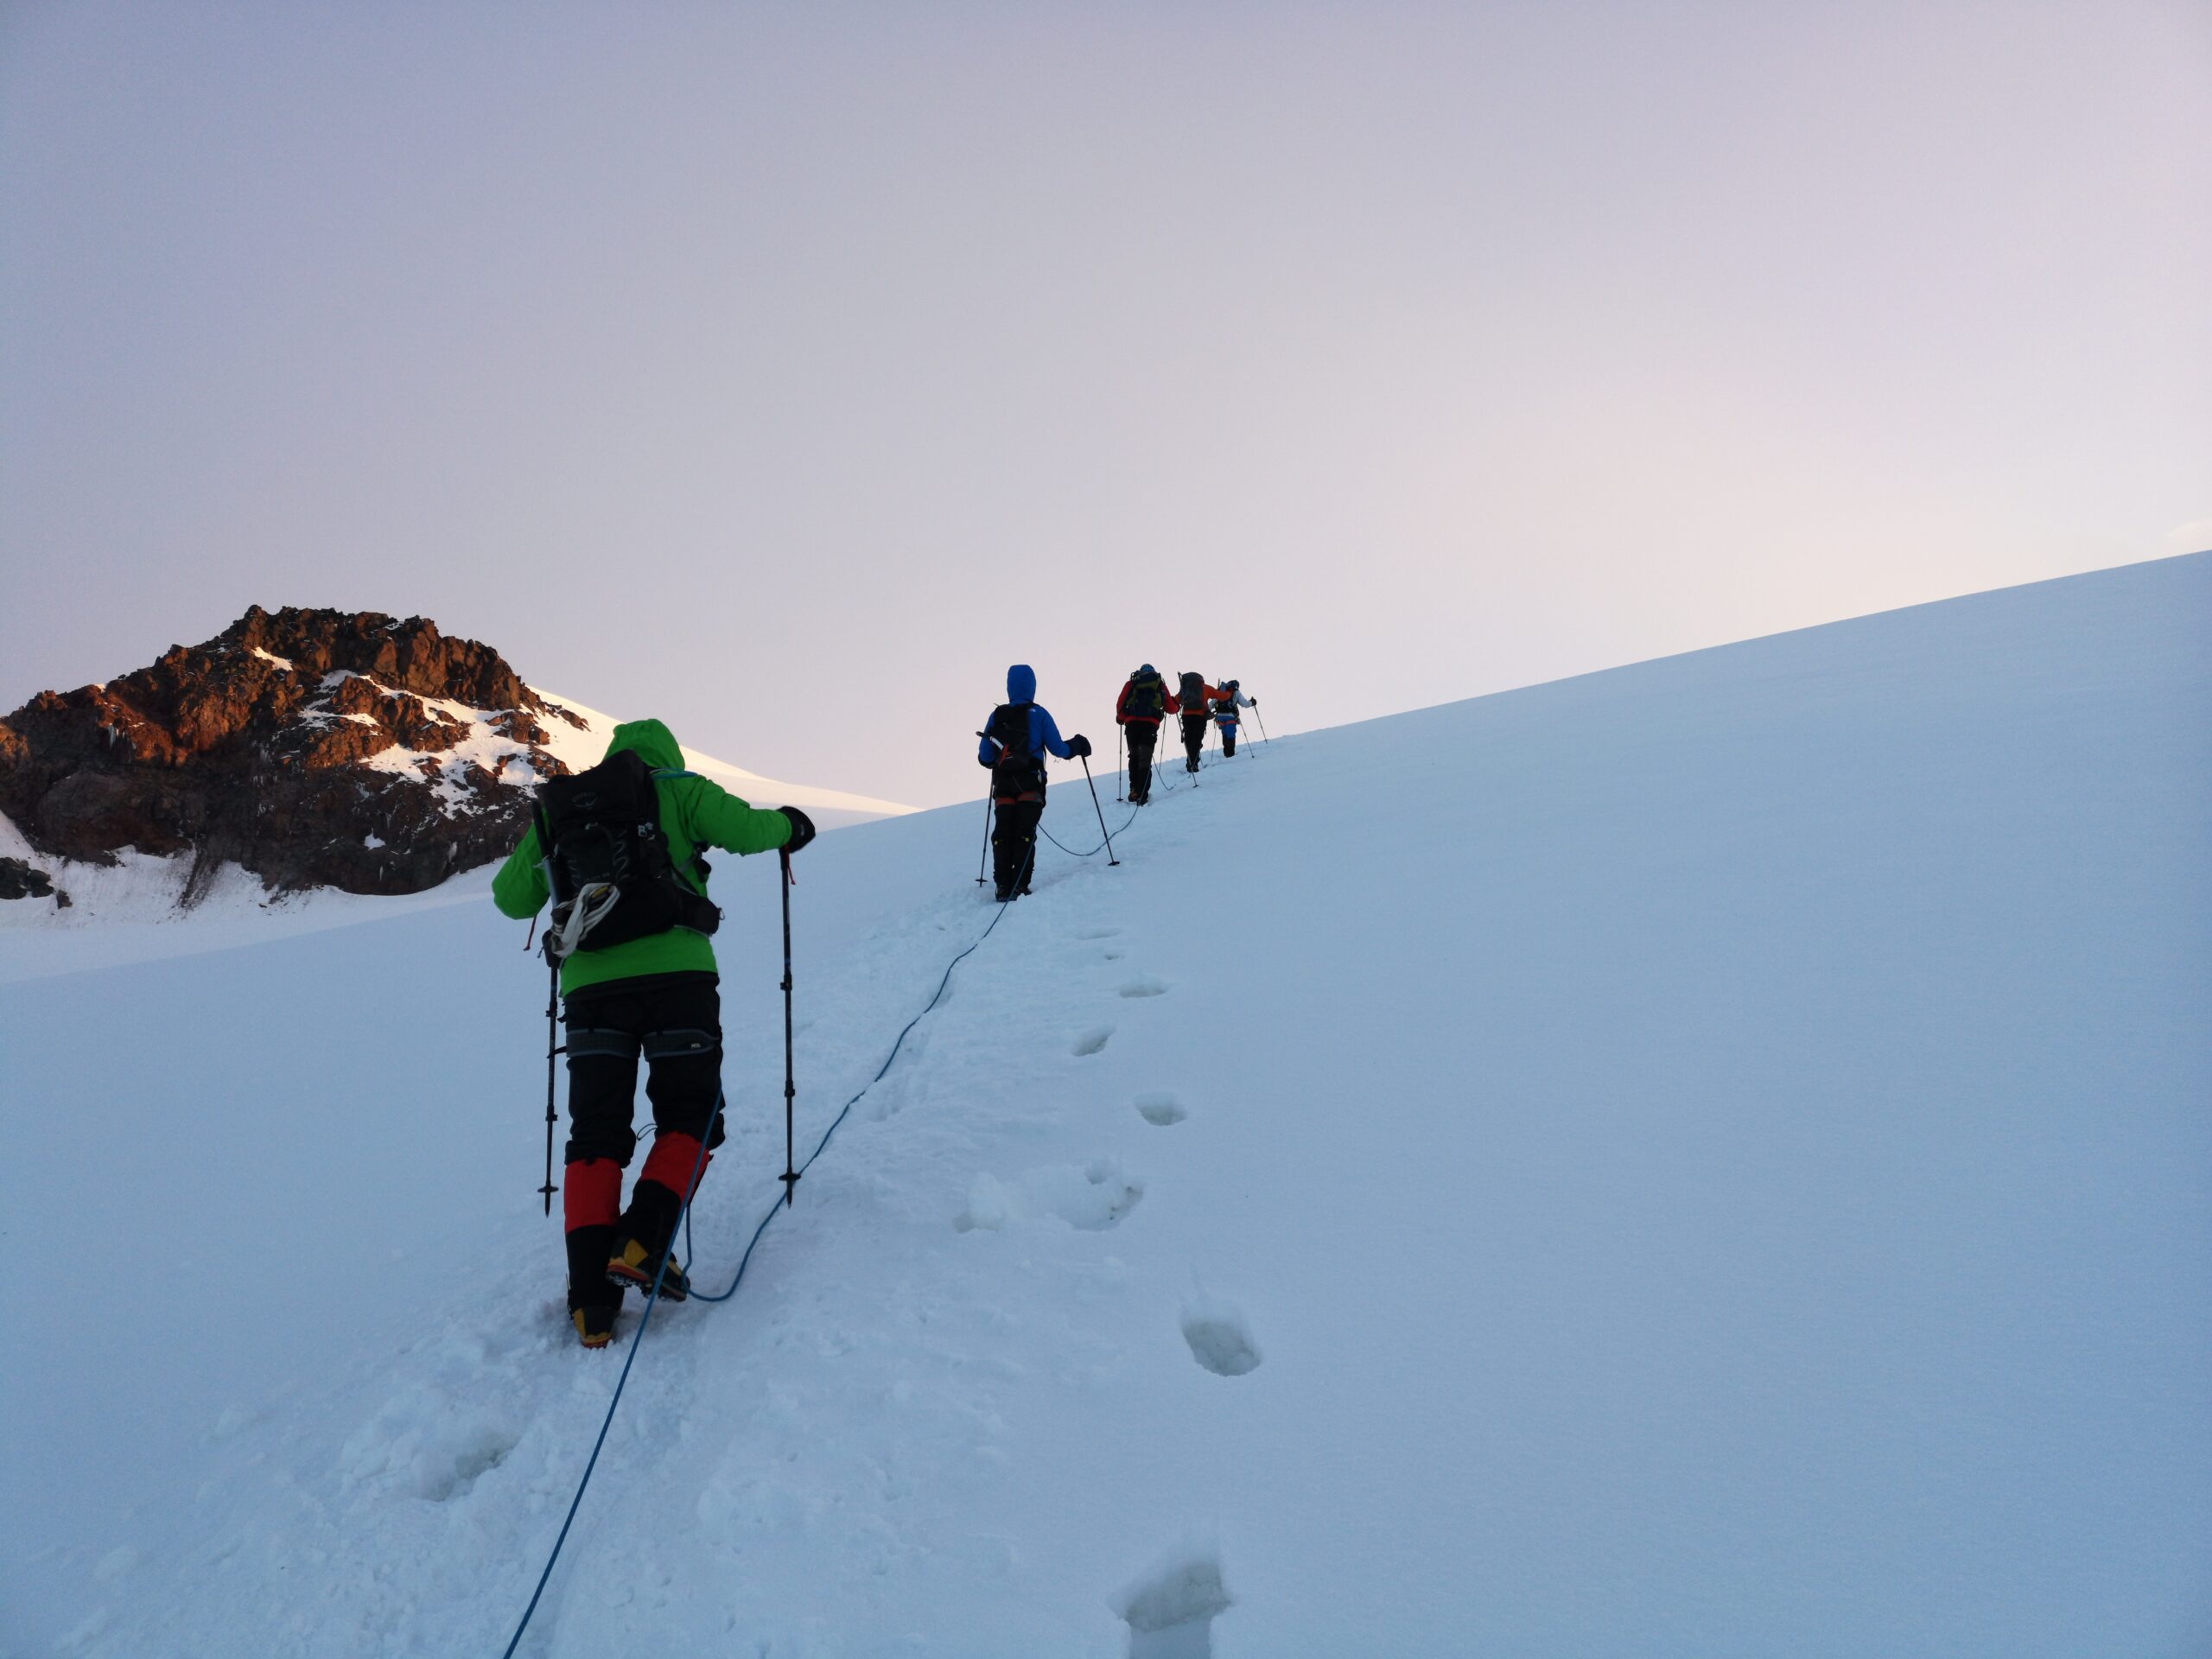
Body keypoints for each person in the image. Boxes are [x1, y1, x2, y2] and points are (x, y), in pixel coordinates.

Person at [493, 717, 815, 1349]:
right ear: (663, 754)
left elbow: (510, 898)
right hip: (678, 981)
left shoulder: (562, 810)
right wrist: (792, 826)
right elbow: (750, 831)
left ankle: (591, 1303)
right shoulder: (680, 788)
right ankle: (643, 1239)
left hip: (588, 991)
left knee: (597, 1133)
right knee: (690, 1113)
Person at [977, 664, 1088, 902]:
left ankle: (1003, 885)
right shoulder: (1039, 714)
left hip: (1004, 784)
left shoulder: (997, 715)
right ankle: (1019, 884)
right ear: (1032, 686)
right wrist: (1078, 745)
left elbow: (985, 757)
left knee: (1003, 832)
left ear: (1009, 687)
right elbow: (1059, 749)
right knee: (1024, 832)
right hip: (1030, 782)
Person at [1114, 664, 1178, 804]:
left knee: (1134, 755)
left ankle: (1134, 790)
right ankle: (1143, 791)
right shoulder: (1159, 683)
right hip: (1150, 723)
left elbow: (1120, 704)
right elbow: (1171, 708)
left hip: (1132, 724)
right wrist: (1176, 705)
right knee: (1145, 757)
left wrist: (1121, 717)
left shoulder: (1132, 682)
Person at [1175, 671, 1218, 773]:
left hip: (1186, 717)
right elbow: (1221, 695)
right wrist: (1230, 692)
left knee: (1189, 740)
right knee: (1196, 740)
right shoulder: (1205, 688)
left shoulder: (1185, 688)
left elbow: (1177, 700)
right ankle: (1192, 764)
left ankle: (1191, 761)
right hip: (1200, 717)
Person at [1211, 678, 1255, 756]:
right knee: (1231, 734)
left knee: (1224, 734)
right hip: (1230, 717)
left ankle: (1226, 753)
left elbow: (1211, 704)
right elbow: (1245, 704)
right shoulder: (1236, 692)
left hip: (1220, 717)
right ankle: (1230, 755)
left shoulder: (1221, 691)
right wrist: (1252, 702)